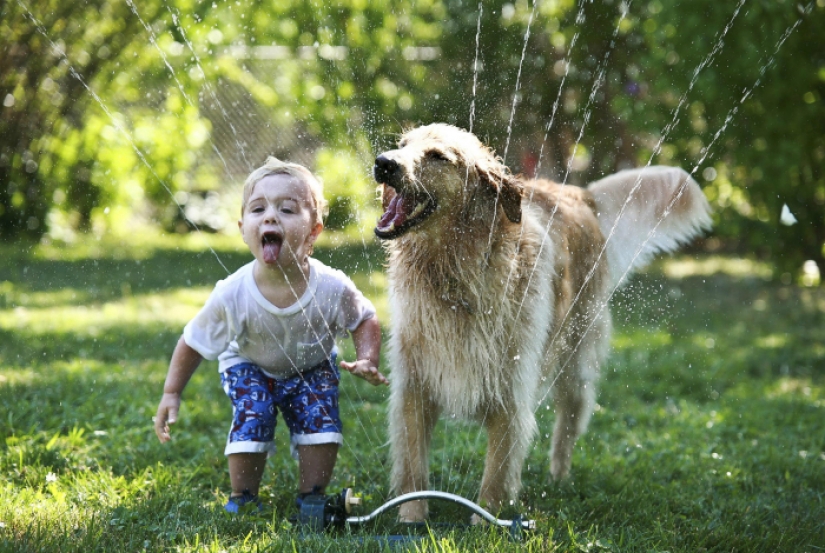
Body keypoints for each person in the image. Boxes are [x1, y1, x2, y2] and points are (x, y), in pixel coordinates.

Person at [153, 157, 387, 513]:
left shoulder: (331, 286)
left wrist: (368, 357)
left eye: (287, 209)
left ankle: (312, 497)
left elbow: (364, 318)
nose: (270, 216)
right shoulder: (232, 293)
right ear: (243, 227)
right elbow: (193, 341)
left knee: (321, 423)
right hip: (249, 364)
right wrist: (171, 392)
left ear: (313, 232)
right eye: (258, 208)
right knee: (254, 412)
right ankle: (243, 497)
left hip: (312, 365)